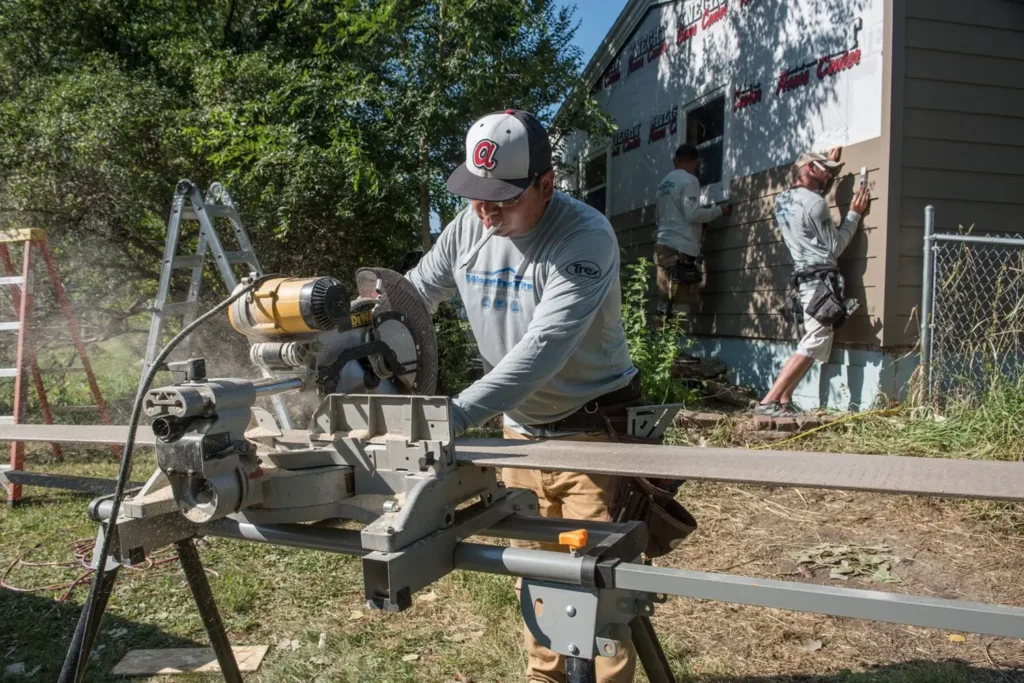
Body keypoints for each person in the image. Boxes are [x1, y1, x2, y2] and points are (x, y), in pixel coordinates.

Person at [404, 109, 641, 683]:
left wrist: (453, 415)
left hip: (593, 431)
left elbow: (543, 350)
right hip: (520, 432)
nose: (486, 212)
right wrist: (358, 331)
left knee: (599, 588)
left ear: (546, 183)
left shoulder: (583, 236)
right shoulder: (468, 226)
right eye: (477, 196)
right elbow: (411, 297)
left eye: (503, 199)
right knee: (535, 574)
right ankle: (544, 676)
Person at [755, 149, 871, 417]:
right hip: (821, 282)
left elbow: (807, 206)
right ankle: (768, 402)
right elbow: (835, 246)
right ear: (808, 168)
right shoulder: (816, 204)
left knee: (816, 340)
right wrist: (853, 214)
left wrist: (825, 173)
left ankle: (783, 401)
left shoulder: (783, 200)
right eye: (824, 168)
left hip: (803, 281)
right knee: (814, 340)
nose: (829, 173)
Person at [653, 143, 730, 324]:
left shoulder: (663, 184)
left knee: (665, 299)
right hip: (680, 249)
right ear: (695, 162)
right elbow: (692, 213)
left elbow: (662, 216)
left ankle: (657, 346)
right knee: (682, 301)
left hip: (662, 246)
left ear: (675, 161)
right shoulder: (689, 181)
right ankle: (674, 349)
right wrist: (718, 211)